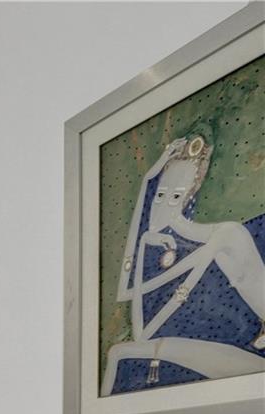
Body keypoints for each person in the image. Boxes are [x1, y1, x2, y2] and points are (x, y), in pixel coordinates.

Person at [104, 133, 265, 394]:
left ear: (191, 195)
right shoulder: (154, 242)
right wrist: (152, 175)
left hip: (246, 354)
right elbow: (142, 333)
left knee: (120, 353)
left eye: (176, 197)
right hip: (188, 348)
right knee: (119, 353)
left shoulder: (226, 235)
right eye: (160, 196)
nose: (164, 206)